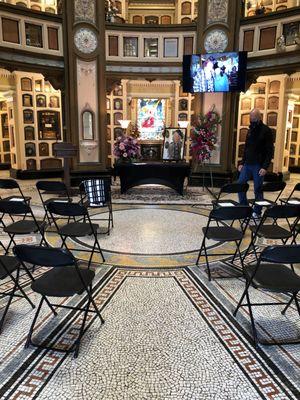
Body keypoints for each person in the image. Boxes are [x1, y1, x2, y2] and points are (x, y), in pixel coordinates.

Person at [238, 108, 274, 218]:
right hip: (247, 164)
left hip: (258, 165)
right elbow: (246, 148)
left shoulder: (266, 130)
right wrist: (242, 162)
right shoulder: (250, 129)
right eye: (250, 117)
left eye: (253, 117)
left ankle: (257, 212)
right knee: (240, 185)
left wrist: (265, 167)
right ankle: (244, 208)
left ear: (259, 117)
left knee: (258, 189)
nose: (251, 119)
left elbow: (269, 151)